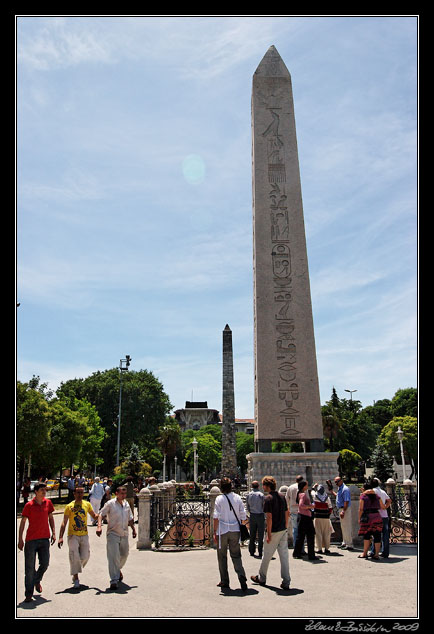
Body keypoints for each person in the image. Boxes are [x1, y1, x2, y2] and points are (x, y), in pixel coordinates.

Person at [18, 482, 56, 603]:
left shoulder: (48, 503)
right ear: (36, 492)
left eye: (45, 490)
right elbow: (23, 522)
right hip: (31, 541)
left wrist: (54, 533)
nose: (44, 492)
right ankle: (28, 594)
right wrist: (20, 539)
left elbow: (51, 518)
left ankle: (37, 580)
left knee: (45, 563)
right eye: (42, 490)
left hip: (45, 539)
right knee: (29, 568)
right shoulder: (29, 505)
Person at [251, 476, 291, 590]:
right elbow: (287, 512)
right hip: (283, 529)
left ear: (267, 486)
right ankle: (286, 581)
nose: (263, 487)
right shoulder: (282, 496)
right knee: (284, 556)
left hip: (273, 531)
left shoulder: (268, 499)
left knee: (267, 555)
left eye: (264, 485)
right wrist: (286, 526)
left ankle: (262, 578)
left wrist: (268, 534)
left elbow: (269, 517)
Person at [58, 486, 100, 588]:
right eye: (78, 493)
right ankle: (75, 577)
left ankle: (76, 567)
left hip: (84, 534)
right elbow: (64, 522)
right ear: (74, 494)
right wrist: (60, 537)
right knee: (74, 555)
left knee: (85, 556)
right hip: (73, 535)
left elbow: (94, 515)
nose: (80, 495)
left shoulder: (87, 504)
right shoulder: (69, 506)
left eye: (82, 493)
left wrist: (100, 520)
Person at [97, 484, 136, 590]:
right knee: (113, 556)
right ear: (116, 494)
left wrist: (133, 529)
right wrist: (99, 526)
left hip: (124, 533)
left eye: (125, 493)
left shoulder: (126, 504)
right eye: (122, 493)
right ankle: (114, 580)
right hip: (112, 533)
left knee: (124, 554)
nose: (124, 495)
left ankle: (117, 569)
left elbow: (130, 518)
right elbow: (101, 514)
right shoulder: (110, 504)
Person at [213, 477, 248, 591]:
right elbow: (243, 515)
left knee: (222, 556)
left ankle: (224, 581)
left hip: (222, 530)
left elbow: (215, 517)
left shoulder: (219, 499)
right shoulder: (237, 498)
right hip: (235, 530)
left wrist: (215, 532)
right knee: (236, 555)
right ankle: (241, 576)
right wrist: (243, 525)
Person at [357, 479, 386, 560]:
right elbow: (382, 507)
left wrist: (359, 518)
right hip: (377, 516)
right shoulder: (377, 496)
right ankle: (376, 554)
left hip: (367, 517)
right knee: (377, 536)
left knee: (367, 535)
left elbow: (361, 509)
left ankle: (365, 553)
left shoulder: (363, 496)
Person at [292, 480, 319, 560]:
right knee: (310, 535)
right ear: (304, 486)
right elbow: (301, 505)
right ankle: (311, 555)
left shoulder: (299, 494)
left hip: (301, 516)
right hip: (306, 517)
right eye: (306, 485)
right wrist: (310, 507)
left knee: (300, 536)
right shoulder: (303, 495)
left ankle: (296, 553)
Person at [327, 476, 354, 550]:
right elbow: (338, 496)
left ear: (341, 480)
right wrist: (332, 492)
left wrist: (343, 511)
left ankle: (349, 544)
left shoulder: (345, 489)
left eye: (337, 481)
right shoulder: (340, 488)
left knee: (347, 526)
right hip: (341, 508)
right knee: (343, 526)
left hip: (344, 509)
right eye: (335, 482)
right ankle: (344, 542)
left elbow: (346, 501)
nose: (336, 483)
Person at [369, 478, 391, 559]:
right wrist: (385, 507)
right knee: (385, 535)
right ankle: (385, 552)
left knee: (375, 534)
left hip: (376, 515)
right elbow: (389, 500)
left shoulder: (372, 491)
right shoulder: (382, 491)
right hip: (384, 515)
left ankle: (373, 551)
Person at [285, 474, 306, 554]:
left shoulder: (290, 487)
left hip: (293, 510)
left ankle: (296, 547)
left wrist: (287, 509)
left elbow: (286, 499)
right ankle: (302, 549)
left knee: (295, 530)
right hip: (302, 510)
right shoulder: (303, 487)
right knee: (302, 530)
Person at [246, 480, 265, 558]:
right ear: (258, 486)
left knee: (252, 534)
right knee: (261, 535)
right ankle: (260, 551)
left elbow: (247, 506)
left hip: (252, 515)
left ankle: (251, 551)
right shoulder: (261, 495)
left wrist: (250, 513)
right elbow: (264, 506)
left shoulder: (249, 495)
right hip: (260, 515)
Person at [312, 483, 333, 554]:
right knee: (327, 533)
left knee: (318, 533)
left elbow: (311, 492)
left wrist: (314, 487)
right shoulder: (327, 497)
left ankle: (319, 549)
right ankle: (327, 548)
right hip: (326, 518)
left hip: (317, 517)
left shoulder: (315, 496)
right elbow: (330, 508)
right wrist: (328, 514)